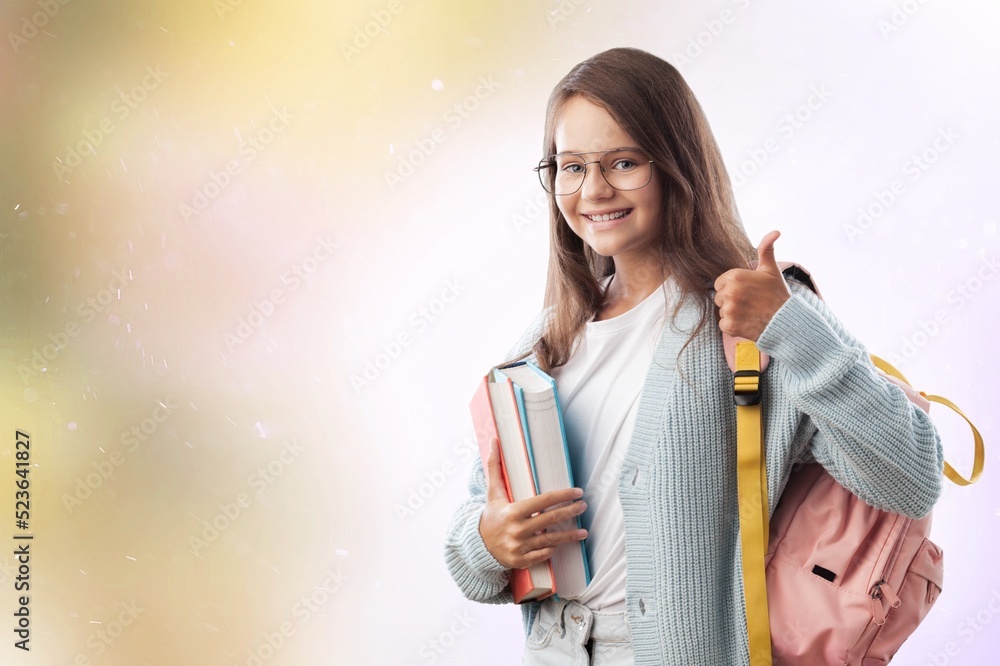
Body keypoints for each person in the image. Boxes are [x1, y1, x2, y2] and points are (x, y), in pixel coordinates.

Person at [444, 47, 943, 665]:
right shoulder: (542, 345)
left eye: (623, 162)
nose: (593, 190)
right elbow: (476, 536)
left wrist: (789, 327)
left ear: (678, 164)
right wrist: (490, 542)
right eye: (571, 167)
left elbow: (912, 474)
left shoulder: (755, 314)